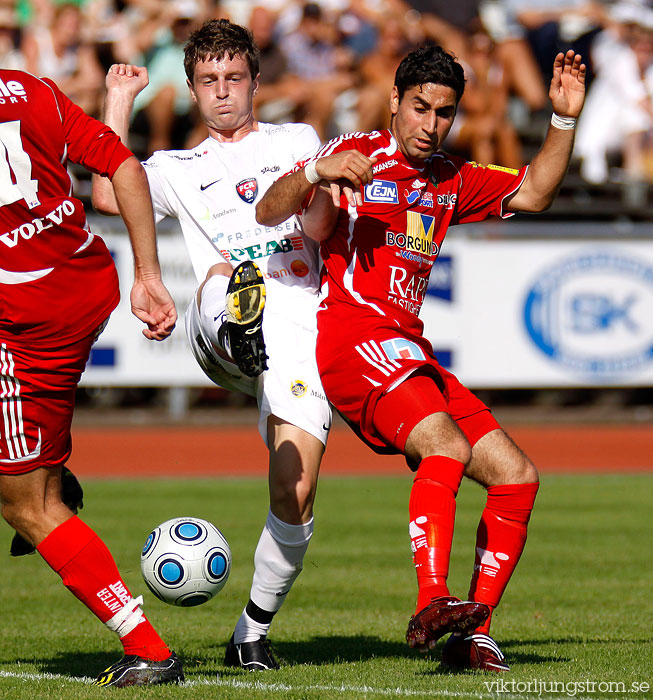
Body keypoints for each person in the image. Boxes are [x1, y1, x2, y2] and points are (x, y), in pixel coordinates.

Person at [256, 44, 586, 671]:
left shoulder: (450, 178)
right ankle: (432, 597)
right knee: (448, 449)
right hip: (354, 340)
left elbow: (536, 193)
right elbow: (268, 210)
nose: (431, 125)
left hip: (411, 350)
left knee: (517, 477)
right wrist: (315, 174)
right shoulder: (360, 153)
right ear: (394, 104)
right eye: (420, 108)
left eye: (444, 113)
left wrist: (563, 119)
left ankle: (472, 633)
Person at [91, 18, 332, 671]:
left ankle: (249, 632)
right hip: (217, 324)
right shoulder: (174, 166)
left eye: (232, 79)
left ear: (255, 81)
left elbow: (321, 219)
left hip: (301, 326)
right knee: (229, 276)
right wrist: (119, 101)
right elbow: (106, 191)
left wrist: (323, 184)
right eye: (207, 82)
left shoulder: (299, 140)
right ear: (192, 90)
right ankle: (238, 332)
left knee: (297, 487)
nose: (222, 92)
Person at [0, 69, 180, 686]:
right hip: (87, 284)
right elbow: (124, 167)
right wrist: (148, 274)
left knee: (26, 503)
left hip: (27, 320)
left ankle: (148, 649)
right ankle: (49, 472)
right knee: (27, 473)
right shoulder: (31, 88)